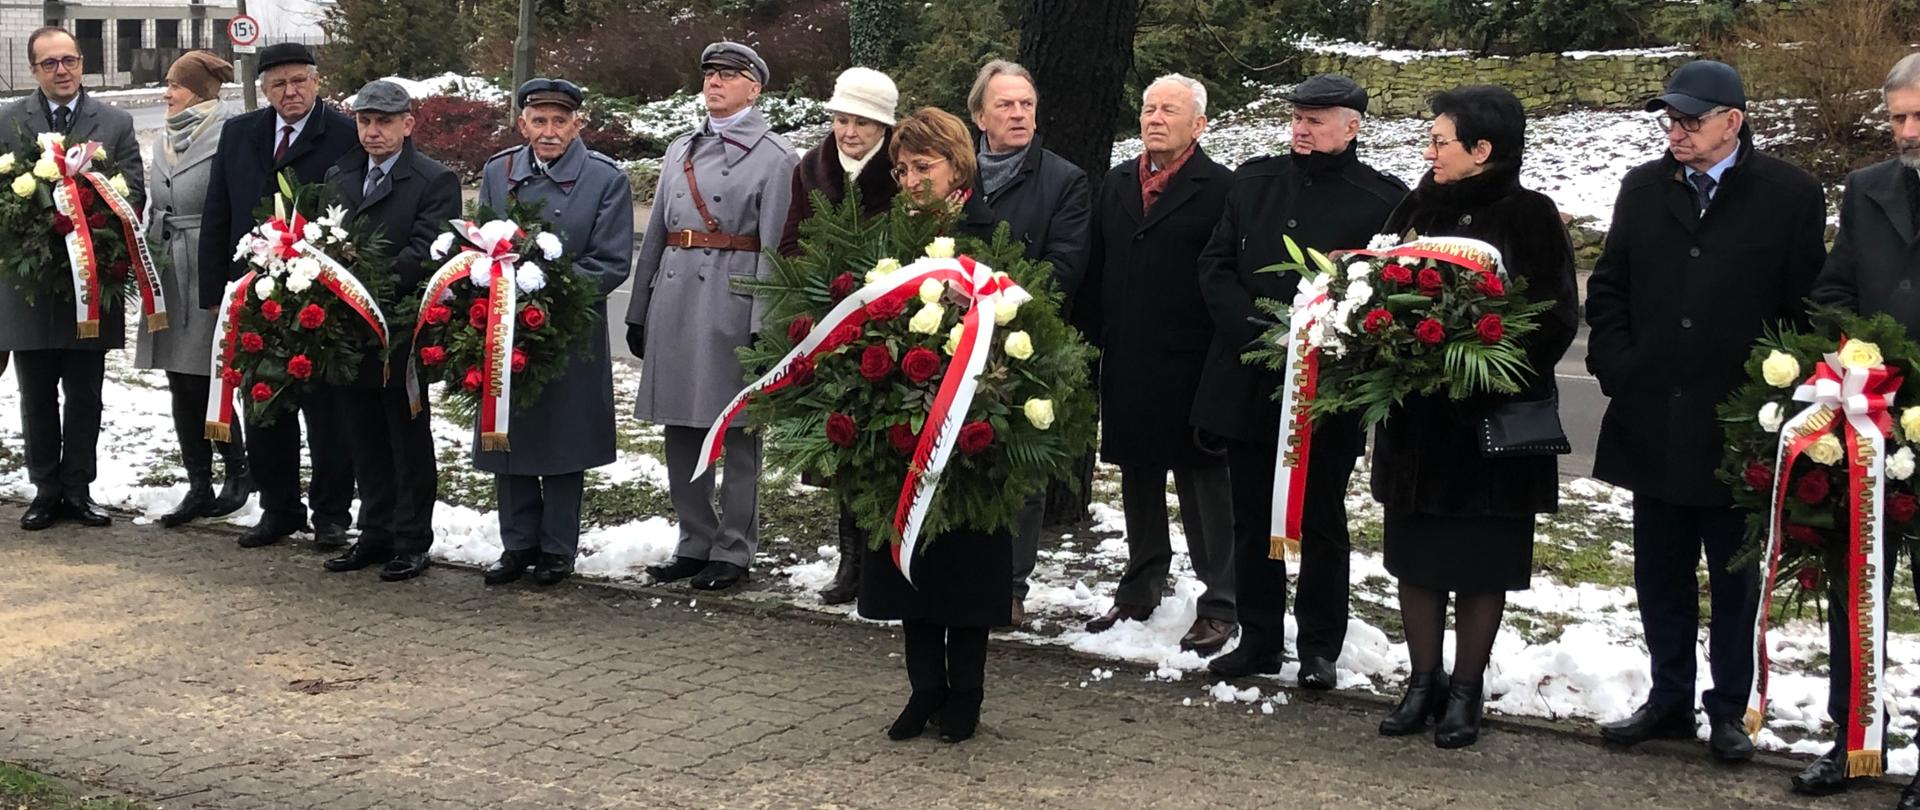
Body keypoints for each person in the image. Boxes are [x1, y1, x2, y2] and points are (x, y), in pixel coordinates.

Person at [1587, 59, 1824, 764]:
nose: (1677, 133)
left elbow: (1802, 308)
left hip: (1737, 424)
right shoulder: (1642, 187)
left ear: (1733, 122)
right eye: (1670, 120)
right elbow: (1610, 288)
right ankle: (1667, 699)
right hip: (1651, 412)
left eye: (1691, 121)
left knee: (1732, 578)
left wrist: (1775, 399)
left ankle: (1729, 709)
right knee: (1658, 572)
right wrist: (1618, 365)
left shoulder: (1789, 194)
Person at [1370, 85, 1578, 749]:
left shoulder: (1529, 216)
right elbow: (1370, 284)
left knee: (1482, 564)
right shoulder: (1415, 204)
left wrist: (1475, 363)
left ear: (1482, 149)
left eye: (1440, 139)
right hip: (1417, 429)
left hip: (1490, 429)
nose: (1427, 150)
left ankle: (1466, 690)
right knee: (1418, 559)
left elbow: (1553, 320)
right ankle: (1421, 683)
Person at [1192, 74, 1406, 683]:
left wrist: (1319, 342)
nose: (1302, 129)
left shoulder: (1379, 198)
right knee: (1252, 514)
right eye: (1297, 117)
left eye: (1317, 119)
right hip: (1247, 374)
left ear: (1352, 126)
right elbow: (1215, 266)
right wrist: (1260, 333)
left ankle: (1318, 647)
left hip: (1325, 389)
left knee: (1319, 518)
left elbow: (1381, 292)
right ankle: (1258, 638)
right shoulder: (1254, 181)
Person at [858, 104, 1003, 744]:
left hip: (970, 434)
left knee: (965, 567)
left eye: (924, 167)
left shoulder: (992, 234)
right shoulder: (887, 240)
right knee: (910, 562)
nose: (911, 180)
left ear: (957, 169)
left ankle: (965, 692)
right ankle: (925, 689)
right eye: (901, 168)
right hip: (902, 430)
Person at [1078, 74, 1237, 654]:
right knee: (1138, 481)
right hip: (1129, 358)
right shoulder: (1118, 182)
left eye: (1169, 110)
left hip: (1193, 364)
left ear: (1198, 124)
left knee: (1204, 488)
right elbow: (1096, 268)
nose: (1154, 118)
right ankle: (1140, 588)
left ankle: (1221, 600)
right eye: (1148, 108)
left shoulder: (1221, 188)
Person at [630, 42, 797, 591]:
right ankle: (694, 542)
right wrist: (639, 310)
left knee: (738, 432)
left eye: (730, 75)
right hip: (677, 301)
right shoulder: (681, 149)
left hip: (734, 303)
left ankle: (734, 550)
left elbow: (775, 248)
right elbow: (655, 235)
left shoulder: (776, 158)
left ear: (756, 87)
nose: (716, 83)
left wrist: (766, 324)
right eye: (710, 75)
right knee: (679, 427)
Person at [1801, 52, 1920, 803]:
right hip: (1870, 423)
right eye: (1898, 117)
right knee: (1858, 593)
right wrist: (1859, 352)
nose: (1907, 133)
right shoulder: (1869, 188)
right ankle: (1854, 743)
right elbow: (1834, 287)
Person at [198, 41, 357, 549]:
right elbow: (218, 209)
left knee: (328, 409)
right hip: (253, 290)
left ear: (316, 82)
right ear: (263, 90)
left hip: (321, 294)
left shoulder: (345, 134)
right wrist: (213, 289)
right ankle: (278, 507)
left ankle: (331, 513)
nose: (291, 92)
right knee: (264, 401)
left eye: (299, 81)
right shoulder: (240, 133)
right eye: (278, 84)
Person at [476, 78, 635, 586]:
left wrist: (548, 291)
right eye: (538, 121)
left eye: (559, 121)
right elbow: (480, 242)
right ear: (522, 123)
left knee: (564, 438)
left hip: (568, 327)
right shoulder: (498, 172)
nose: (549, 132)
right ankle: (516, 544)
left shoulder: (605, 178)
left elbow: (610, 262)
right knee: (509, 430)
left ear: (577, 124)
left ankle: (558, 549)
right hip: (505, 326)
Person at [0, 26, 143, 531]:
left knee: (85, 393)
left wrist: (94, 226)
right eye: (50, 63)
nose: (62, 71)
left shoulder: (115, 121)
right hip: (29, 287)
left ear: (83, 63)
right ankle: (44, 490)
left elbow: (135, 196)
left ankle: (79, 489)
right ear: (34, 71)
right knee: (36, 393)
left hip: (91, 283)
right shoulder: (8, 120)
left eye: (70, 60)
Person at [317, 80, 461, 581]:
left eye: (384, 122)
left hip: (402, 330)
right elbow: (323, 238)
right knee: (363, 437)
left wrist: (365, 278)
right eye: (364, 122)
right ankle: (374, 532)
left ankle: (411, 539)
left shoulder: (433, 180)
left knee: (406, 437)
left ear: (408, 125)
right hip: (350, 328)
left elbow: (429, 250)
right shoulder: (340, 173)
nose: (373, 132)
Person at [967, 59, 1092, 621]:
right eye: (1005, 105)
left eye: (1026, 106)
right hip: (951, 339)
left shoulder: (1064, 180)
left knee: (1019, 468)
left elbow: (1063, 268)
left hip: (1025, 341)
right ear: (979, 115)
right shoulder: (954, 172)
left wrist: (1002, 309)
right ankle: (954, 576)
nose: (1018, 115)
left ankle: (1009, 589)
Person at [776, 66, 900, 605]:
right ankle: (849, 561)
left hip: (887, 314)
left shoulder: (899, 167)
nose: (849, 132)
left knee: (882, 439)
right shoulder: (810, 167)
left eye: (864, 123)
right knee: (841, 438)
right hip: (826, 314)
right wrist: (809, 284)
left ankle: (881, 564)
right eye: (842, 119)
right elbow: (791, 237)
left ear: (884, 127)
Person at [137, 51, 253, 529]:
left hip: (208, 266)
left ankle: (238, 470)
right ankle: (198, 482)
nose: (167, 92)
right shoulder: (168, 134)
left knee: (212, 374)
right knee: (178, 378)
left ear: (200, 91)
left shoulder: (228, 133)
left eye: (175, 84)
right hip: (168, 266)